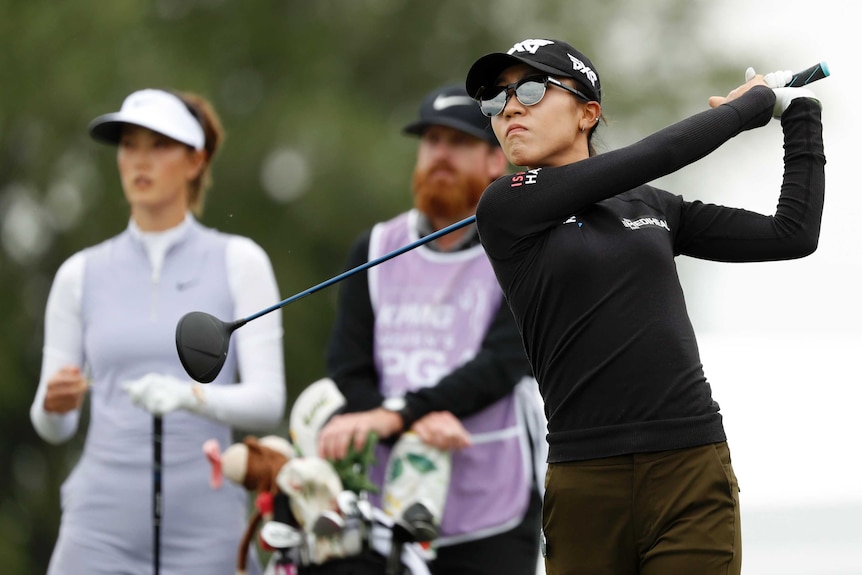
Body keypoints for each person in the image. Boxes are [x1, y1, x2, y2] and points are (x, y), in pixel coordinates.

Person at [464, 38, 825, 575]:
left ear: (588, 112)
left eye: (533, 89)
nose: (511, 107)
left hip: (690, 467)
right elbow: (654, 155)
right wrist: (749, 105)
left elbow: (790, 234)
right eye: (496, 100)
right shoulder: (506, 204)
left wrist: (798, 115)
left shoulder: (652, 207)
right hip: (585, 480)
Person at [29, 88, 286, 575]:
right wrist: (53, 403)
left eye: (159, 145)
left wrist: (191, 397)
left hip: (209, 531)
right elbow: (54, 428)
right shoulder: (79, 274)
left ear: (195, 161)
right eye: (128, 144)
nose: (139, 161)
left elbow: (268, 400)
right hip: (97, 531)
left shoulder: (240, 261)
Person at [315, 84, 546, 575]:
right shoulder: (375, 246)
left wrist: (400, 414)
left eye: (458, 142)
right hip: (383, 498)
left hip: (490, 501)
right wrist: (407, 419)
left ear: (494, 161)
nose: (440, 154)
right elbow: (347, 365)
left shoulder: (521, 248)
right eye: (431, 141)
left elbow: (505, 362)